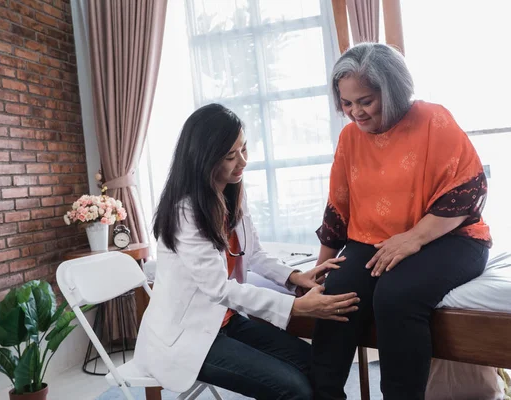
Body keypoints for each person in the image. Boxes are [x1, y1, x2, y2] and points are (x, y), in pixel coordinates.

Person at [133, 103, 360, 400]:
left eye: (244, 149)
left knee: (318, 366)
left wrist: (295, 276)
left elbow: (253, 254)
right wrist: (294, 307)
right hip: (188, 337)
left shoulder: (231, 191)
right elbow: (217, 288)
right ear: (203, 159)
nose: (242, 162)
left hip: (225, 320)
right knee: (295, 389)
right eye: (230, 156)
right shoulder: (185, 213)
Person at [311, 43, 492, 400]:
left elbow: (468, 190)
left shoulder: (433, 119)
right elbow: (339, 207)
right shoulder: (350, 138)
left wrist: (414, 238)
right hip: (373, 238)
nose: (355, 113)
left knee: (396, 296)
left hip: (451, 237)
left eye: (365, 101)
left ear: (391, 89)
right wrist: (320, 269)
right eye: (347, 104)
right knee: (335, 296)